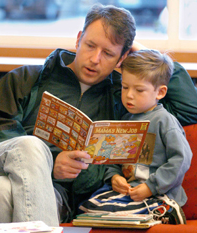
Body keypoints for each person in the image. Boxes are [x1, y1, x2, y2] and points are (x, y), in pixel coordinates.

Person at [0, 3, 196, 226]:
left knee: (2, 192)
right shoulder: (28, 78)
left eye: (109, 53)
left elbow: (189, 109)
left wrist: (143, 54)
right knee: (30, 147)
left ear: (121, 58)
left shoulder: (125, 97)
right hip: (10, 164)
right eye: (90, 45)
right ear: (78, 39)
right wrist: (50, 164)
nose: (95, 59)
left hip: (61, 199)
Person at [78, 49, 193, 224]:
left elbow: (182, 158)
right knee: (88, 207)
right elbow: (114, 160)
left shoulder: (164, 121)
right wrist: (115, 178)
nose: (129, 95)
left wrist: (150, 186)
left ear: (160, 92)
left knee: (134, 211)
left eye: (139, 90)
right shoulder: (125, 120)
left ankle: (166, 212)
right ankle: (130, 215)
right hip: (127, 192)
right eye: (125, 87)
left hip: (159, 193)